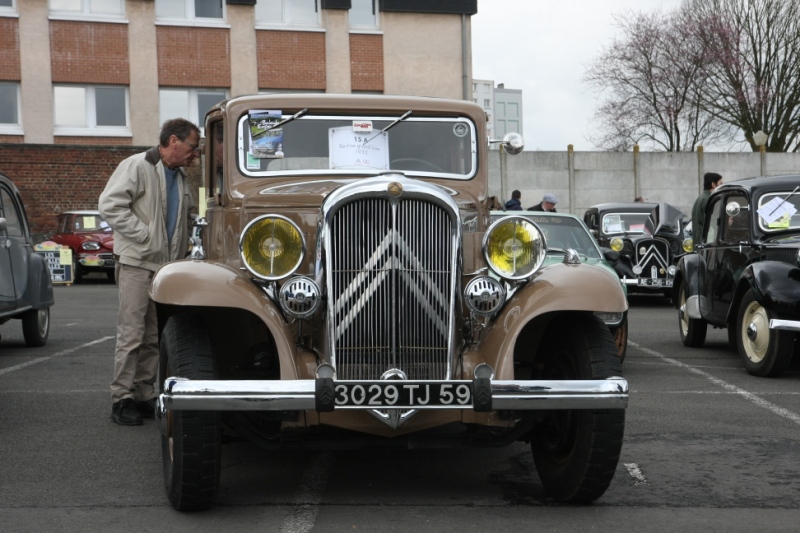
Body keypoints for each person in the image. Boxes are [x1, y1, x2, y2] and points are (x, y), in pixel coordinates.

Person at [99, 118, 199, 426]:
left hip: (163, 268)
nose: (194, 154)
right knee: (132, 333)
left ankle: (143, 395)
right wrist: (143, 235)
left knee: (153, 335)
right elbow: (110, 204)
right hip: (137, 262)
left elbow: (189, 215)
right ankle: (121, 399)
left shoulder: (180, 177)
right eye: (192, 147)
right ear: (173, 141)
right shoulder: (138, 165)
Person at [691, 172, 723, 249]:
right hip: (706, 245)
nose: (722, 186)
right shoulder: (709, 200)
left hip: (699, 243)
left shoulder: (701, 198)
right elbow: (713, 223)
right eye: (720, 183)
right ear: (713, 184)